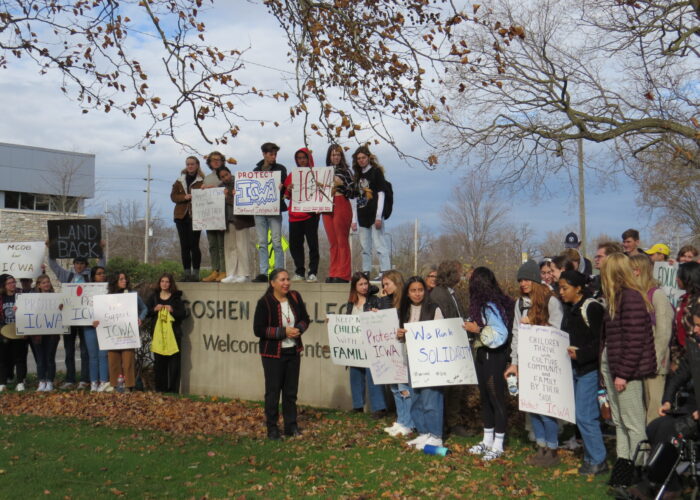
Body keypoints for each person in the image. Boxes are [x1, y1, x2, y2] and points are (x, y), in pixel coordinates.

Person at [626, 302, 700, 500]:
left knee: (669, 431)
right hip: (691, 407)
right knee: (654, 427)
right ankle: (665, 483)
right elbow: (678, 376)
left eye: (699, 326)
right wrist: (667, 401)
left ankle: (654, 483)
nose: (695, 330)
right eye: (695, 325)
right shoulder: (695, 348)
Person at [599, 253, 657, 488]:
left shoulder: (631, 298)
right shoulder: (616, 298)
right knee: (619, 422)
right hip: (613, 368)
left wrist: (622, 373)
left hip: (626, 372)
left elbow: (635, 341)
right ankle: (624, 471)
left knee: (633, 424)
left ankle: (640, 474)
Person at [504, 260, 564, 467]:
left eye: (527, 279)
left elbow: (559, 331)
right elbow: (516, 334)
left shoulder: (551, 301)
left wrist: (536, 323)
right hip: (527, 362)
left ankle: (552, 449)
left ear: (536, 280)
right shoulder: (519, 303)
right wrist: (514, 363)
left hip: (548, 363)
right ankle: (541, 447)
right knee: (533, 407)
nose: (523, 283)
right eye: (520, 280)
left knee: (546, 409)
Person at [558, 270, 608, 475]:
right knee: (583, 415)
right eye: (559, 288)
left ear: (578, 288)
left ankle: (598, 459)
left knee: (585, 416)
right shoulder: (570, 309)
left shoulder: (592, 308)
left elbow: (601, 341)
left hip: (589, 370)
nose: (561, 292)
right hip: (576, 369)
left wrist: (582, 354)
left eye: (565, 288)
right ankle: (591, 458)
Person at [253, 269, 310, 440]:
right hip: (273, 355)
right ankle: (272, 428)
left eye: (288, 279)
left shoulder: (295, 297)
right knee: (273, 392)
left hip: (293, 351)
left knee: (290, 392)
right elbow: (258, 330)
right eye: (282, 280)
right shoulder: (265, 302)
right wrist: (283, 332)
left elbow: (305, 319)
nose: (286, 283)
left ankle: (290, 426)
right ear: (273, 283)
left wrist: (298, 329)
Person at [464, 267, 514, 461]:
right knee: (485, 397)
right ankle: (487, 440)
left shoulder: (491, 305)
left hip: (494, 357)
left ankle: (498, 443)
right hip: (482, 355)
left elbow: (500, 335)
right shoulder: (483, 304)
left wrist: (477, 329)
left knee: (496, 398)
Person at [397, 276, 444, 450]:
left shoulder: (434, 309)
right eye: (413, 290)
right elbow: (401, 336)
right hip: (412, 359)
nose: (417, 294)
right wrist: (400, 336)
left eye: (420, 290)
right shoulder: (403, 310)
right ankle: (423, 433)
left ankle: (436, 435)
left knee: (431, 398)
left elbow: (441, 334)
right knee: (415, 397)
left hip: (431, 361)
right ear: (407, 293)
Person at [48, 247, 105, 390]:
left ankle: (85, 379)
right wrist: (50, 248)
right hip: (69, 318)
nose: (79, 266)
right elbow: (53, 264)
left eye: (82, 263)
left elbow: (101, 266)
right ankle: (70, 379)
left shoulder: (89, 277)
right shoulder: (66, 276)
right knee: (69, 350)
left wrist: (101, 249)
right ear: (73, 264)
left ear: (86, 265)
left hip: (85, 319)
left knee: (86, 351)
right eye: (77, 263)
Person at [629, 254, 674, 424]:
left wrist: (655, 358)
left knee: (654, 407)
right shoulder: (636, 294)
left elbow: (664, 330)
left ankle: (655, 447)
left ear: (638, 271)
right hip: (639, 360)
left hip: (654, 361)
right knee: (641, 406)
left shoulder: (657, 295)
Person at [429, 260, 470, 438]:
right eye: (459, 272)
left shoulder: (450, 293)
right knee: (448, 389)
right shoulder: (439, 295)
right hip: (447, 349)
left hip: (455, 347)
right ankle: (447, 424)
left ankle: (452, 422)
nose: (461, 275)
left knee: (456, 388)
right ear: (451, 274)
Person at [93, 272, 148, 393]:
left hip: (127, 333)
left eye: (125, 279)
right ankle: (116, 385)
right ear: (115, 281)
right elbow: (101, 314)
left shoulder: (133, 295)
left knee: (128, 360)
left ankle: (128, 385)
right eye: (121, 279)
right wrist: (96, 322)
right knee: (113, 360)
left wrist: (140, 318)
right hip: (112, 335)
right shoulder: (107, 297)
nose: (125, 281)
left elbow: (144, 308)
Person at [344, 272, 387, 417]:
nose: (364, 287)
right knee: (355, 374)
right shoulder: (351, 303)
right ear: (354, 287)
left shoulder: (374, 300)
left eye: (365, 283)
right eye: (360, 284)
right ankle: (357, 406)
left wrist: (377, 314)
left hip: (371, 343)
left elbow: (382, 319)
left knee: (373, 374)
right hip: (355, 344)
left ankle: (379, 407)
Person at [378, 270, 414, 437]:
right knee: (394, 387)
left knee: (403, 387)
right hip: (391, 350)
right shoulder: (388, 300)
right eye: (383, 285)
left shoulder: (405, 302)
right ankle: (401, 420)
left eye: (387, 284)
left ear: (396, 282)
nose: (384, 288)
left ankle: (409, 422)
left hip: (403, 349)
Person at [351, 146, 390, 280]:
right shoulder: (357, 176)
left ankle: (385, 271)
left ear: (368, 158)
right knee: (365, 247)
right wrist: (354, 220)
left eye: (363, 157)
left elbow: (381, 194)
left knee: (379, 244)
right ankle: (366, 271)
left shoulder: (376, 172)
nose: (361, 160)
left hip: (374, 214)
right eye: (359, 158)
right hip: (362, 215)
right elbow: (356, 199)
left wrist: (379, 216)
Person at [252, 143, 288, 283]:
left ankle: (278, 272)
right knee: (262, 242)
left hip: (274, 208)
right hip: (259, 210)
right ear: (264, 154)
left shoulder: (280, 169)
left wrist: (282, 185)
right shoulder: (256, 170)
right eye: (271, 154)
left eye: (275, 154)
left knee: (276, 241)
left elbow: (285, 186)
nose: (273, 157)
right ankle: (263, 272)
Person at [284, 148, 320, 283]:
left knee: (313, 244)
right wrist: (288, 189)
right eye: (299, 158)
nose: (301, 160)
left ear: (309, 158)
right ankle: (300, 271)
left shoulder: (316, 174)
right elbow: (287, 196)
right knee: (294, 245)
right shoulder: (293, 175)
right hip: (294, 215)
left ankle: (313, 272)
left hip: (310, 215)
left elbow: (322, 193)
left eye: (304, 157)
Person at [147, 273, 186, 393]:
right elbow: (147, 313)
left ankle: (173, 390)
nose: (164, 284)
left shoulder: (176, 298)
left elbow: (183, 314)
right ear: (159, 283)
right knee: (159, 364)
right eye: (162, 281)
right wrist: (154, 309)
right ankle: (160, 388)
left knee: (174, 364)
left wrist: (172, 310)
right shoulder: (153, 297)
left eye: (167, 281)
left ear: (171, 284)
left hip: (173, 335)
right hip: (158, 335)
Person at [323, 144, 355, 283]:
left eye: (338, 154)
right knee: (332, 241)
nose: (335, 157)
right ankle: (334, 271)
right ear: (329, 156)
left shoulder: (347, 172)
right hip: (326, 205)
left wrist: (341, 184)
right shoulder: (324, 172)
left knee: (342, 240)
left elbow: (354, 193)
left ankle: (344, 274)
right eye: (333, 154)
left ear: (341, 156)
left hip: (341, 202)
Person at [217, 165, 254, 283]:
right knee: (230, 247)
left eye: (226, 175)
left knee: (242, 246)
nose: (225, 178)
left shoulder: (240, 183)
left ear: (230, 173)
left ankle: (244, 274)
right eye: (222, 177)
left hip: (241, 220)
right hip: (227, 221)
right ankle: (231, 273)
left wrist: (228, 196)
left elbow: (243, 202)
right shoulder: (219, 188)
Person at [171, 156, 205, 282]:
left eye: (192, 164)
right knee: (184, 245)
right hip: (180, 216)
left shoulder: (202, 181)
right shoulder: (179, 180)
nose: (190, 166)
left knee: (194, 245)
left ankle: (195, 273)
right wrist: (184, 197)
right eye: (188, 164)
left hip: (196, 216)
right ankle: (186, 273)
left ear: (197, 165)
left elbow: (207, 196)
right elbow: (173, 196)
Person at [28, 275, 61, 392]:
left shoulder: (56, 298)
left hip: (52, 333)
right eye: (43, 283)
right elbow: (27, 310)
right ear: (38, 285)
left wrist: (61, 307)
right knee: (40, 358)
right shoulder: (32, 299)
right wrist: (19, 308)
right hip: (37, 334)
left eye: (48, 282)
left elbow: (61, 312)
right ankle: (42, 381)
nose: (46, 284)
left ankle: (50, 381)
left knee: (50, 358)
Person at [80, 266, 110, 392]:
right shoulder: (87, 290)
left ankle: (103, 381)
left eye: (103, 273)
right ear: (93, 277)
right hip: (90, 327)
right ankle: (93, 382)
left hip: (104, 326)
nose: (102, 275)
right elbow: (80, 305)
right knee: (92, 356)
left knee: (103, 355)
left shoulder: (109, 290)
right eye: (99, 274)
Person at [201, 151, 227, 283]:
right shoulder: (207, 177)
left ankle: (224, 270)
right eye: (213, 160)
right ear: (209, 163)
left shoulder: (226, 175)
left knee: (222, 245)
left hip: (222, 216)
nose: (216, 162)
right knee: (212, 245)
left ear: (223, 161)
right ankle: (215, 270)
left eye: (219, 159)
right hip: (209, 217)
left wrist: (216, 188)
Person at [0, 275, 28, 392]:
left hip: (19, 332)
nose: (13, 284)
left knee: (20, 358)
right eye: (9, 283)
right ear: (4, 286)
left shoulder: (21, 295)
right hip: (4, 332)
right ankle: (2, 383)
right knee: (3, 359)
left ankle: (20, 382)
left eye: (13, 282)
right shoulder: (1, 298)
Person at [670, 262, 700, 369]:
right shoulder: (683, 300)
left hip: (695, 358)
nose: (676, 279)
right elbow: (677, 331)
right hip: (683, 357)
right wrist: (676, 360)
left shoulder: (698, 301)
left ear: (688, 277)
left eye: (679, 276)